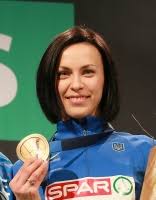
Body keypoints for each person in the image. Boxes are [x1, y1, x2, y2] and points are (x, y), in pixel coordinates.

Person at [10, 26, 155, 200]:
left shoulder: (146, 153)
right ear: (49, 83)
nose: (76, 84)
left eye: (88, 72)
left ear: (106, 80)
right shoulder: (24, 174)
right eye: (63, 74)